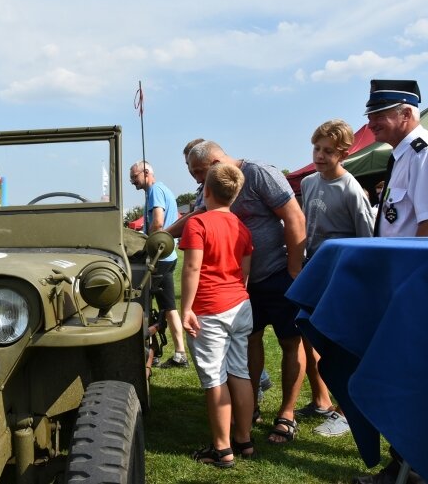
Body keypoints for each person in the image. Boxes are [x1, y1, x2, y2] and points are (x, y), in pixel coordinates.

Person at [352, 79, 428, 484]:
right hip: (412, 286)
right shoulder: (403, 155)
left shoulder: (427, 154)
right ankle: (405, 464)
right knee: (406, 376)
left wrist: (411, 288)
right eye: (370, 114)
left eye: (379, 114)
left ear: (406, 113)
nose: (371, 122)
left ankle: (418, 466)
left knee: (418, 378)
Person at [173, 141, 306, 444]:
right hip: (244, 286)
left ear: (218, 161)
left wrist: (295, 270)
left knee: (290, 342)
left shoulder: (259, 173)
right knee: (250, 342)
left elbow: (295, 217)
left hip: (279, 274)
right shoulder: (212, 186)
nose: (196, 179)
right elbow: (194, 218)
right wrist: (163, 235)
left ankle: (287, 414)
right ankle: (252, 408)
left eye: (199, 172)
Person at [297, 119, 375, 437]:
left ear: (342, 154)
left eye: (328, 151)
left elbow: (367, 240)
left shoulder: (352, 190)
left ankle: (346, 413)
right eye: (316, 148)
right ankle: (323, 401)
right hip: (315, 273)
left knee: (342, 346)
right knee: (317, 340)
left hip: (342, 279)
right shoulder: (308, 184)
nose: (319, 155)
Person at [181, 163, 255, 468]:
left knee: (214, 378)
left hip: (209, 309)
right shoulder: (242, 226)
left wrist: (186, 308)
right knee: (240, 372)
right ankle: (244, 440)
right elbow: (246, 270)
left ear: (206, 191)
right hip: (240, 304)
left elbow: (191, 268)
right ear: (235, 194)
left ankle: (222, 450)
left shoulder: (196, 224)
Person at [129, 160, 188, 368]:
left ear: (146, 173)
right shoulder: (160, 190)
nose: (131, 181)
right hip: (165, 257)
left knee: (166, 306)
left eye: (134, 177)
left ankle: (180, 353)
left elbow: (158, 222)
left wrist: (147, 245)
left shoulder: (155, 191)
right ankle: (159, 349)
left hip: (159, 259)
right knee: (162, 306)